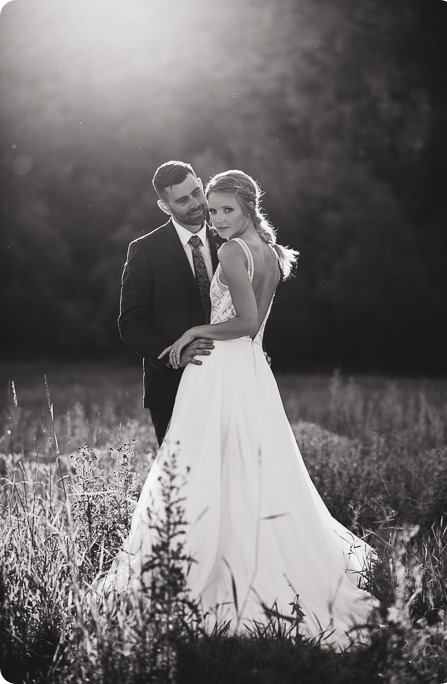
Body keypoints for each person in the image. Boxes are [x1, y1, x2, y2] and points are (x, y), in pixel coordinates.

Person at [104, 170, 379, 648]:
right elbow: (131, 323)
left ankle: (214, 574)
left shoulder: (229, 245)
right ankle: (216, 562)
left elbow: (245, 321)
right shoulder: (161, 249)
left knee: (210, 473)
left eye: (212, 203)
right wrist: (176, 349)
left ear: (246, 206)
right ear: (164, 205)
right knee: (230, 474)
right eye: (194, 203)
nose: (207, 213)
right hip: (228, 374)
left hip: (223, 371)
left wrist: (195, 333)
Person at [118, 160, 222, 445]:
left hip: (227, 380)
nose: (196, 203)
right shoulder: (144, 250)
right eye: (183, 200)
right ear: (165, 206)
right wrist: (174, 356)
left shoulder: (228, 239)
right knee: (180, 479)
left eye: (197, 192)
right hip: (170, 387)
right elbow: (130, 323)